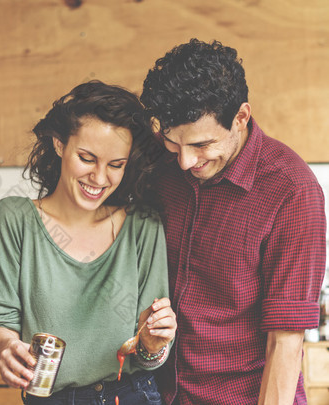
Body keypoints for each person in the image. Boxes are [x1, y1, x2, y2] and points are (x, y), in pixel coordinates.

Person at [140, 38, 327, 405]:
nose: (186, 162)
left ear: (240, 117)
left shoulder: (292, 191)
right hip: (162, 395)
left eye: (203, 145)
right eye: (174, 144)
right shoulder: (162, 168)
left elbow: (285, 342)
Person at [0, 80, 177, 405]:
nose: (99, 179)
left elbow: (147, 355)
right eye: (87, 158)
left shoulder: (143, 226)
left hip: (131, 395)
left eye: (116, 165)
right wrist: (7, 349)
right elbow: (0, 323)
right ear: (59, 144)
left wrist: (154, 344)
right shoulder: (13, 219)